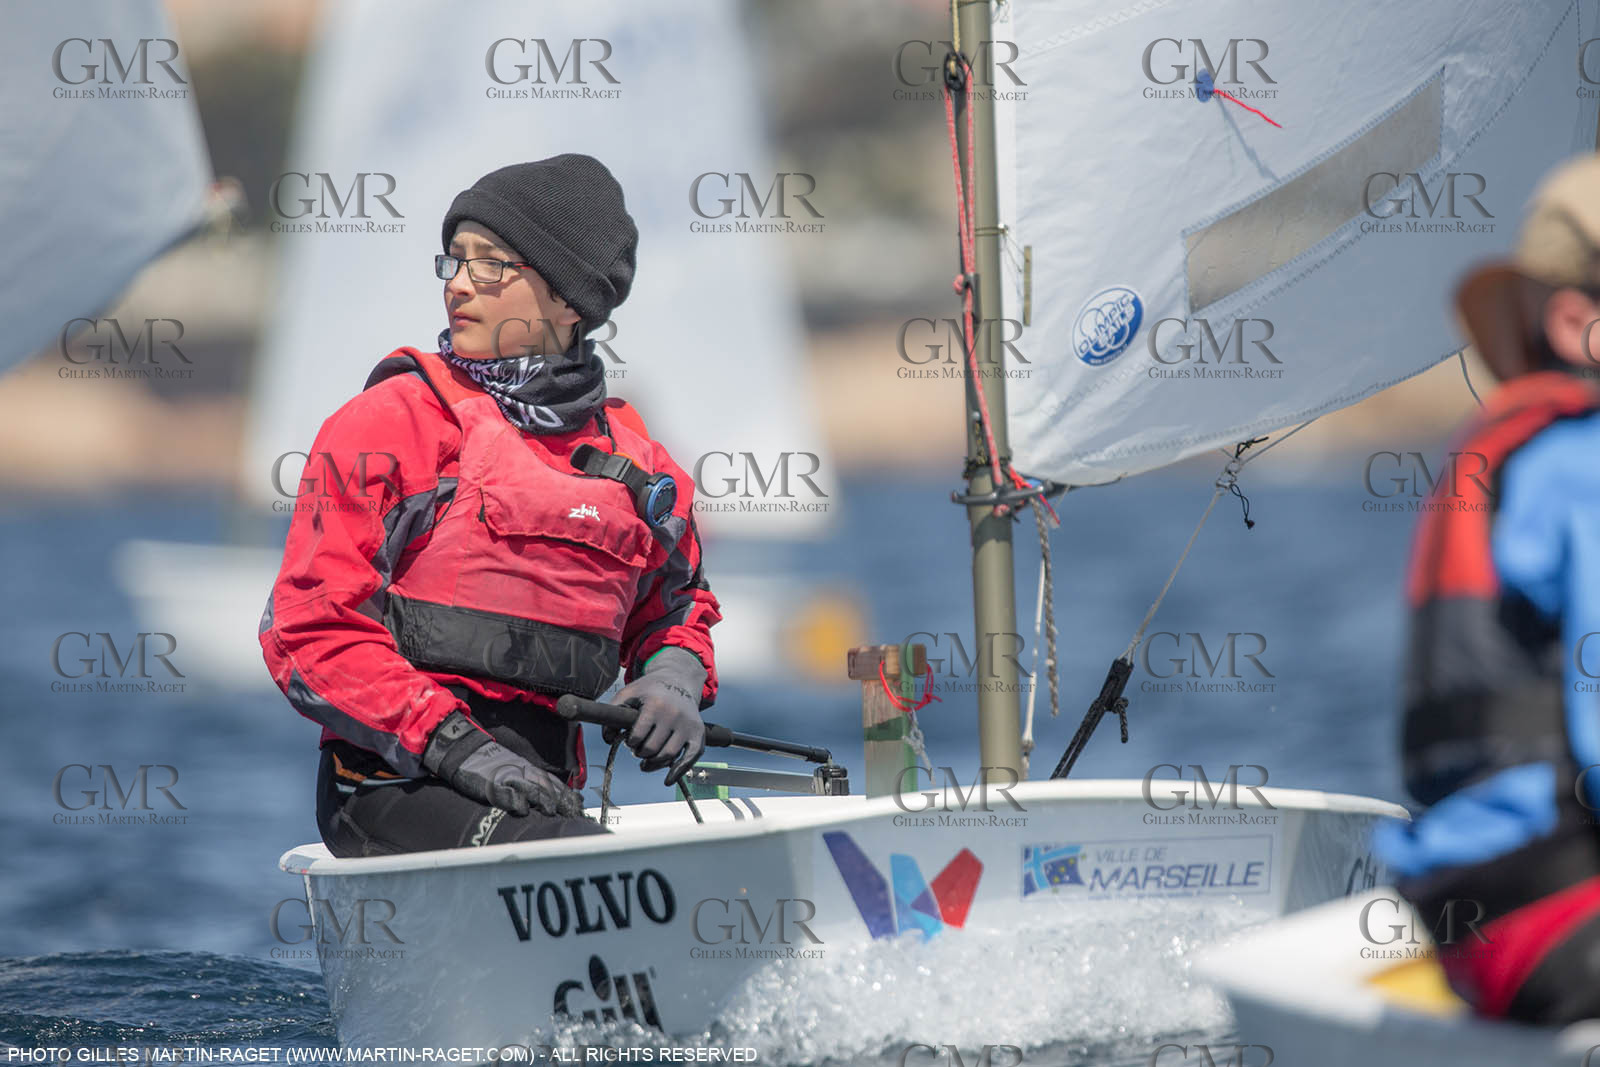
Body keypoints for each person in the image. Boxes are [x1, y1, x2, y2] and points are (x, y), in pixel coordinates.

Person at [259, 154, 721, 857]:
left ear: (570, 302)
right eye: (454, 260)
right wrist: (455, 745)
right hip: (392, 783)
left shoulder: (642, 468)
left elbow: (679, 609)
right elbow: (307, 627)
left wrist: (674, 679)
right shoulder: (393, 422)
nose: (460, 285)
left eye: (492, 263)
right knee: (568, 854)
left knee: (595, 848)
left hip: (543, 797)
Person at [1374, 154, 1600, 1023]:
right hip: (1555, 904)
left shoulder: (1510, 453)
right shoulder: (1578, 466)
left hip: (1469, 914)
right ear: (1582, 321)